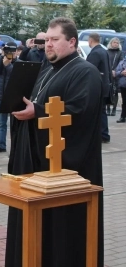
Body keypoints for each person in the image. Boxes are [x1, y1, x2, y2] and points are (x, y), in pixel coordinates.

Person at [7, 17, 104, 267]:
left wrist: (37, 112)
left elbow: (78, 113)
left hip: (67, 170)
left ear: (72, 42)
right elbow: (34, 101)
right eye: (46, 40)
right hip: (38, 166)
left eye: (54, 40)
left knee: (63, 234)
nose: (48, 45)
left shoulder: (85, 72)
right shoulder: (48, 68)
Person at [0, 42, 18, 153]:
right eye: (8, 50)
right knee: (1, 123)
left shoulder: (19, 62)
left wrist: (9, 65)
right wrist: (2, 56)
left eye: (12, 51)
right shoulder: (2, 60)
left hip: (12, 97)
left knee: (13, 124)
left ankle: (15, 145)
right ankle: (2, 145)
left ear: (16, 51)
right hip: (0, 96)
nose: (10, 53)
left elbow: (16, 76)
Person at [86, 32, 111, 143]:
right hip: (105, 85)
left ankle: (102, 135)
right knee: (102, 111)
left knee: (99, 112)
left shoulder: (95, 53)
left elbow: (88, 70)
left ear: (91, 40)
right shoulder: (104, 51)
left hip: (98, 87)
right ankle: (104, 134)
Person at [106, 37, 123, 116]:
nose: (115, 44)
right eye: (114, 42)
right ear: (111, 43)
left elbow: (121, 63)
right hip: (108, 74)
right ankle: (108, 108)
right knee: (108, 91)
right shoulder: (107, 52)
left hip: (116, 74)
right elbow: (105, 62)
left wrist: (115, 71)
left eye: (117, 43)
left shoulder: (120, 53)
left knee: (115, 92)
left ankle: (114, 109)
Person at [115, 57, 126, 123]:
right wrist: (122, 73)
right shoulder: (122, 62)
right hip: (123, 85)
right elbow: (116, 73)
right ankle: (123, 116)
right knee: (124, 102)